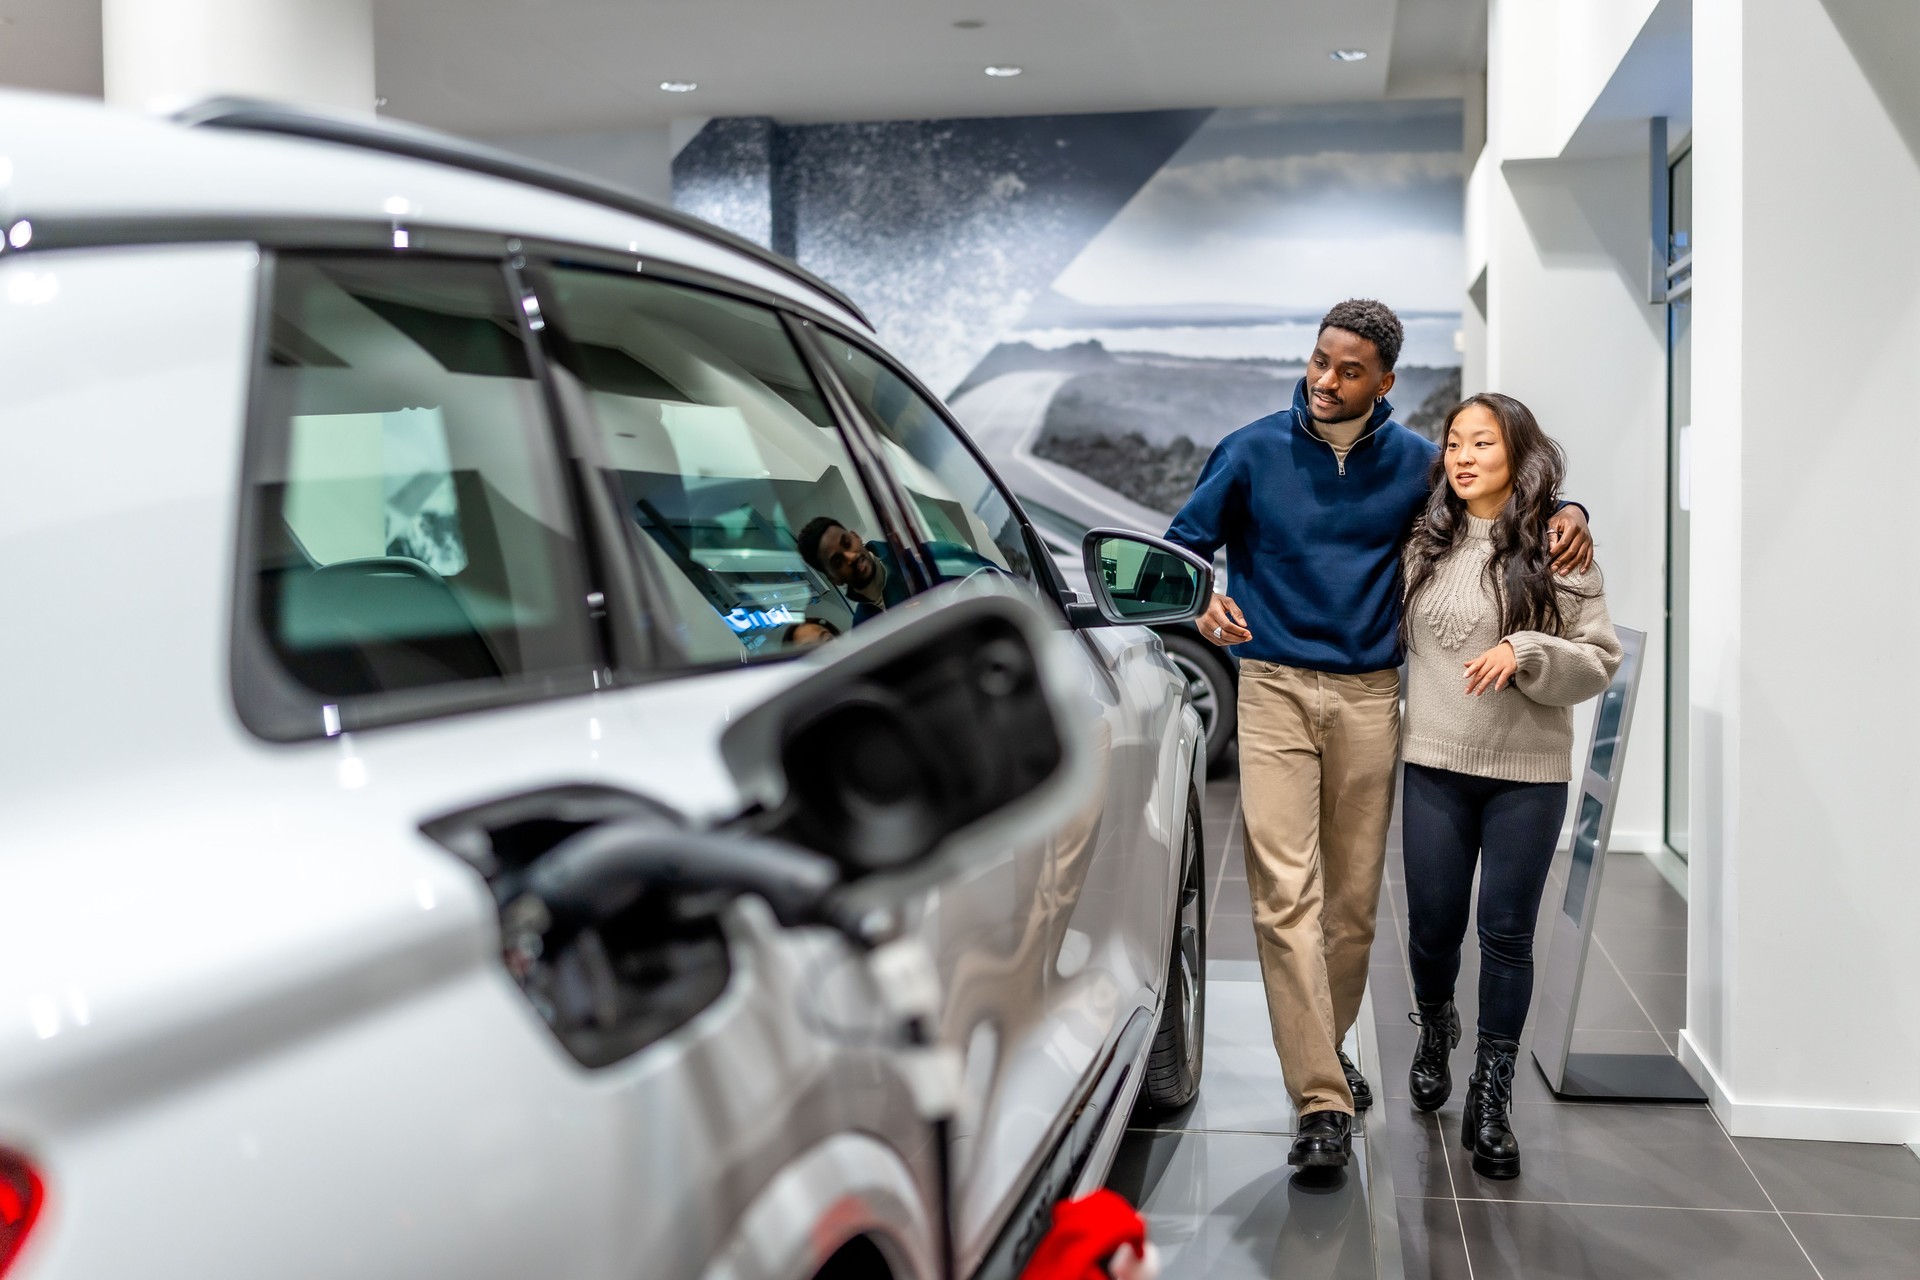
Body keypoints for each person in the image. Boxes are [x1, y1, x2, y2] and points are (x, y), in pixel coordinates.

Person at [1166, 300, 1595, 1171]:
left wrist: (1571, 507)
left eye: (1349, 370)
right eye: (1320, 361)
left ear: (1385, 382)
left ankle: (1327, 1052)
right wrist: (1198, 597)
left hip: (1370, 698)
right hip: (1273, 687)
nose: (1326, 380)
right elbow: (1181, 548)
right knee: (1285, 895)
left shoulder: (1413, 467)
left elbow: (1495, 502)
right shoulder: (1250, 449)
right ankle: (1320, 1098)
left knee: (1354, 906)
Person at [1398, 393, 1620, 1180]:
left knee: (1505, 935)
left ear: (1515, 455)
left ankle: (1493, 1098)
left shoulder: (1562, 549)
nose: (1461, 457)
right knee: (1430, 928)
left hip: (1525, 775)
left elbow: (1598, 661)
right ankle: (1435, 1027)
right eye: (1453, 443)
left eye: (1481, 444)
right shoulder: (1423, 537)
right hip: (1432, 763)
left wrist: (1526, 648)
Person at [797, 516, 909, 624]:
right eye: (838, 562)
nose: (851, 557)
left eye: (847, 544)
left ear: (856, 537)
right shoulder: (861, 626)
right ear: (834, 579)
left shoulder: (913, 562)